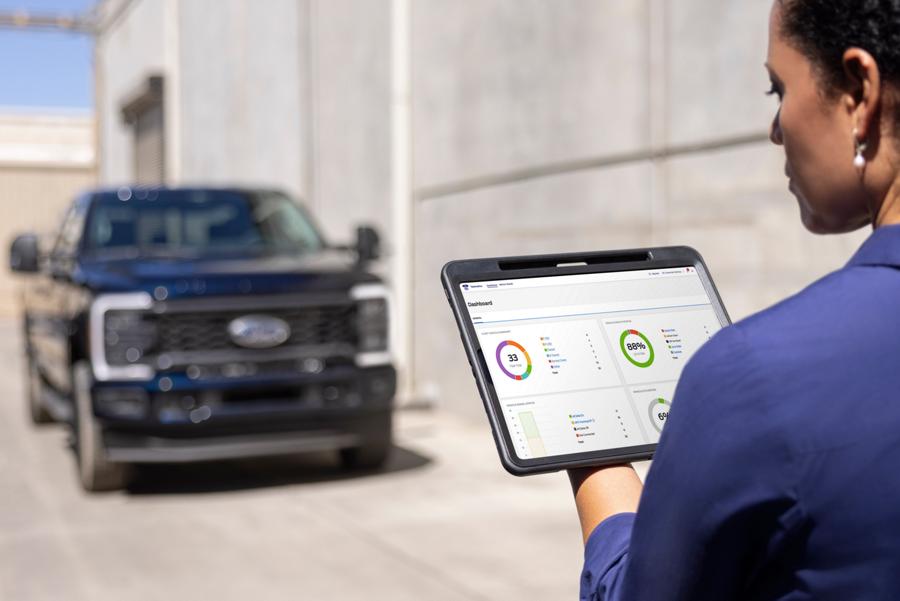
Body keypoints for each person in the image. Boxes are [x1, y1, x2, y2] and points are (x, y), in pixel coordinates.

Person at [571, 1, 900, 599]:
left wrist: (589, 452)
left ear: (860, 90)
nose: (776, 128)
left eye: (779, 89)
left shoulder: (755, 376)